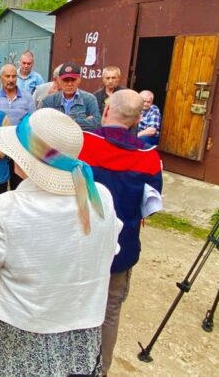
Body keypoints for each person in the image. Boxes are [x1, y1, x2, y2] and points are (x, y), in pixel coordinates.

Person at [0, 108, 122, 377]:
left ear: (25, 159)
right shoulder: (99, 196)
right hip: (82, 335)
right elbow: (111, 248)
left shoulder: (5, 209)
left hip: (17, 337)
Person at [79, 90, 163, 375]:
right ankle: (100, 370)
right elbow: (151, 205)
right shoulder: (149, 156)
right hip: (122, 248)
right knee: (110, 311)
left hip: (80, 245)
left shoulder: (82, 144)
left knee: (75, 305)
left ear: (105, 111)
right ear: (138, 119)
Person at [0, 63, 36, 189]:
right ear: (0, 78)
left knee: (18, 187)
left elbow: (32, 122)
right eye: (7, 76)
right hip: (0, 149)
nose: (11, 80)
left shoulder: (27, 97)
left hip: (20, 149)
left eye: (13, 76)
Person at [41, 62, 101, 132]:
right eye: (66, 80)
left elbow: (97, 123)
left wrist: (69, 122)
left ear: (79, 79)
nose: (70, 84)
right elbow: (43, 124)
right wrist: (82, 122)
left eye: (73, 80)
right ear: (59, 81)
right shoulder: (49, 100)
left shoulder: (89, 99)